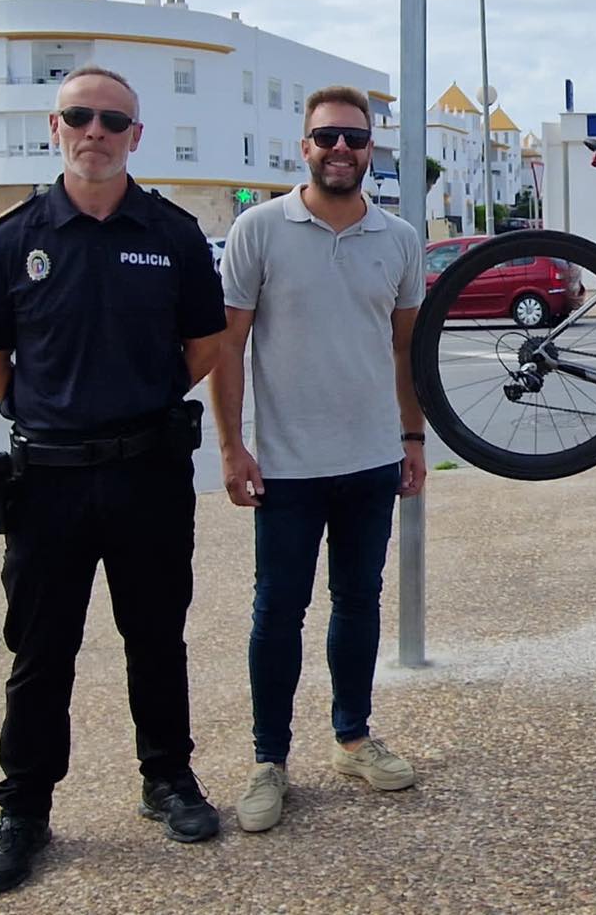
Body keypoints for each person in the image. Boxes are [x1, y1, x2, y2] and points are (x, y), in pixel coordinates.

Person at [0, 66, 227, 894]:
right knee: (41, 654)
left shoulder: (175, 233)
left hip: (149, 472)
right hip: (49, 484)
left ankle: (168, 780)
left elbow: (204, 348)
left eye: (115, 119)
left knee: (156, 639)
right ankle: (25, 810)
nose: (97, 131)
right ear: (56, 126)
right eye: (81, 116)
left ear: (136, 136)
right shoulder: (11, 240)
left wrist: (131, 412)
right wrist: (62, 415)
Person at [210, 85, 427, 834]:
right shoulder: (260, 228)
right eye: (327, 136)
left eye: (355, 138)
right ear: (303, 145)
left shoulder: (398, 238)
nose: (342, 149)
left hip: (370, 460)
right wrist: (234, 446)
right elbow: (227, 346)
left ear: (372, 149)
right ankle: (270, 760)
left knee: (359, 604)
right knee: (278, 611)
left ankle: (353, 738)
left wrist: (412, 439)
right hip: (288, 465)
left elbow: (407, 349)